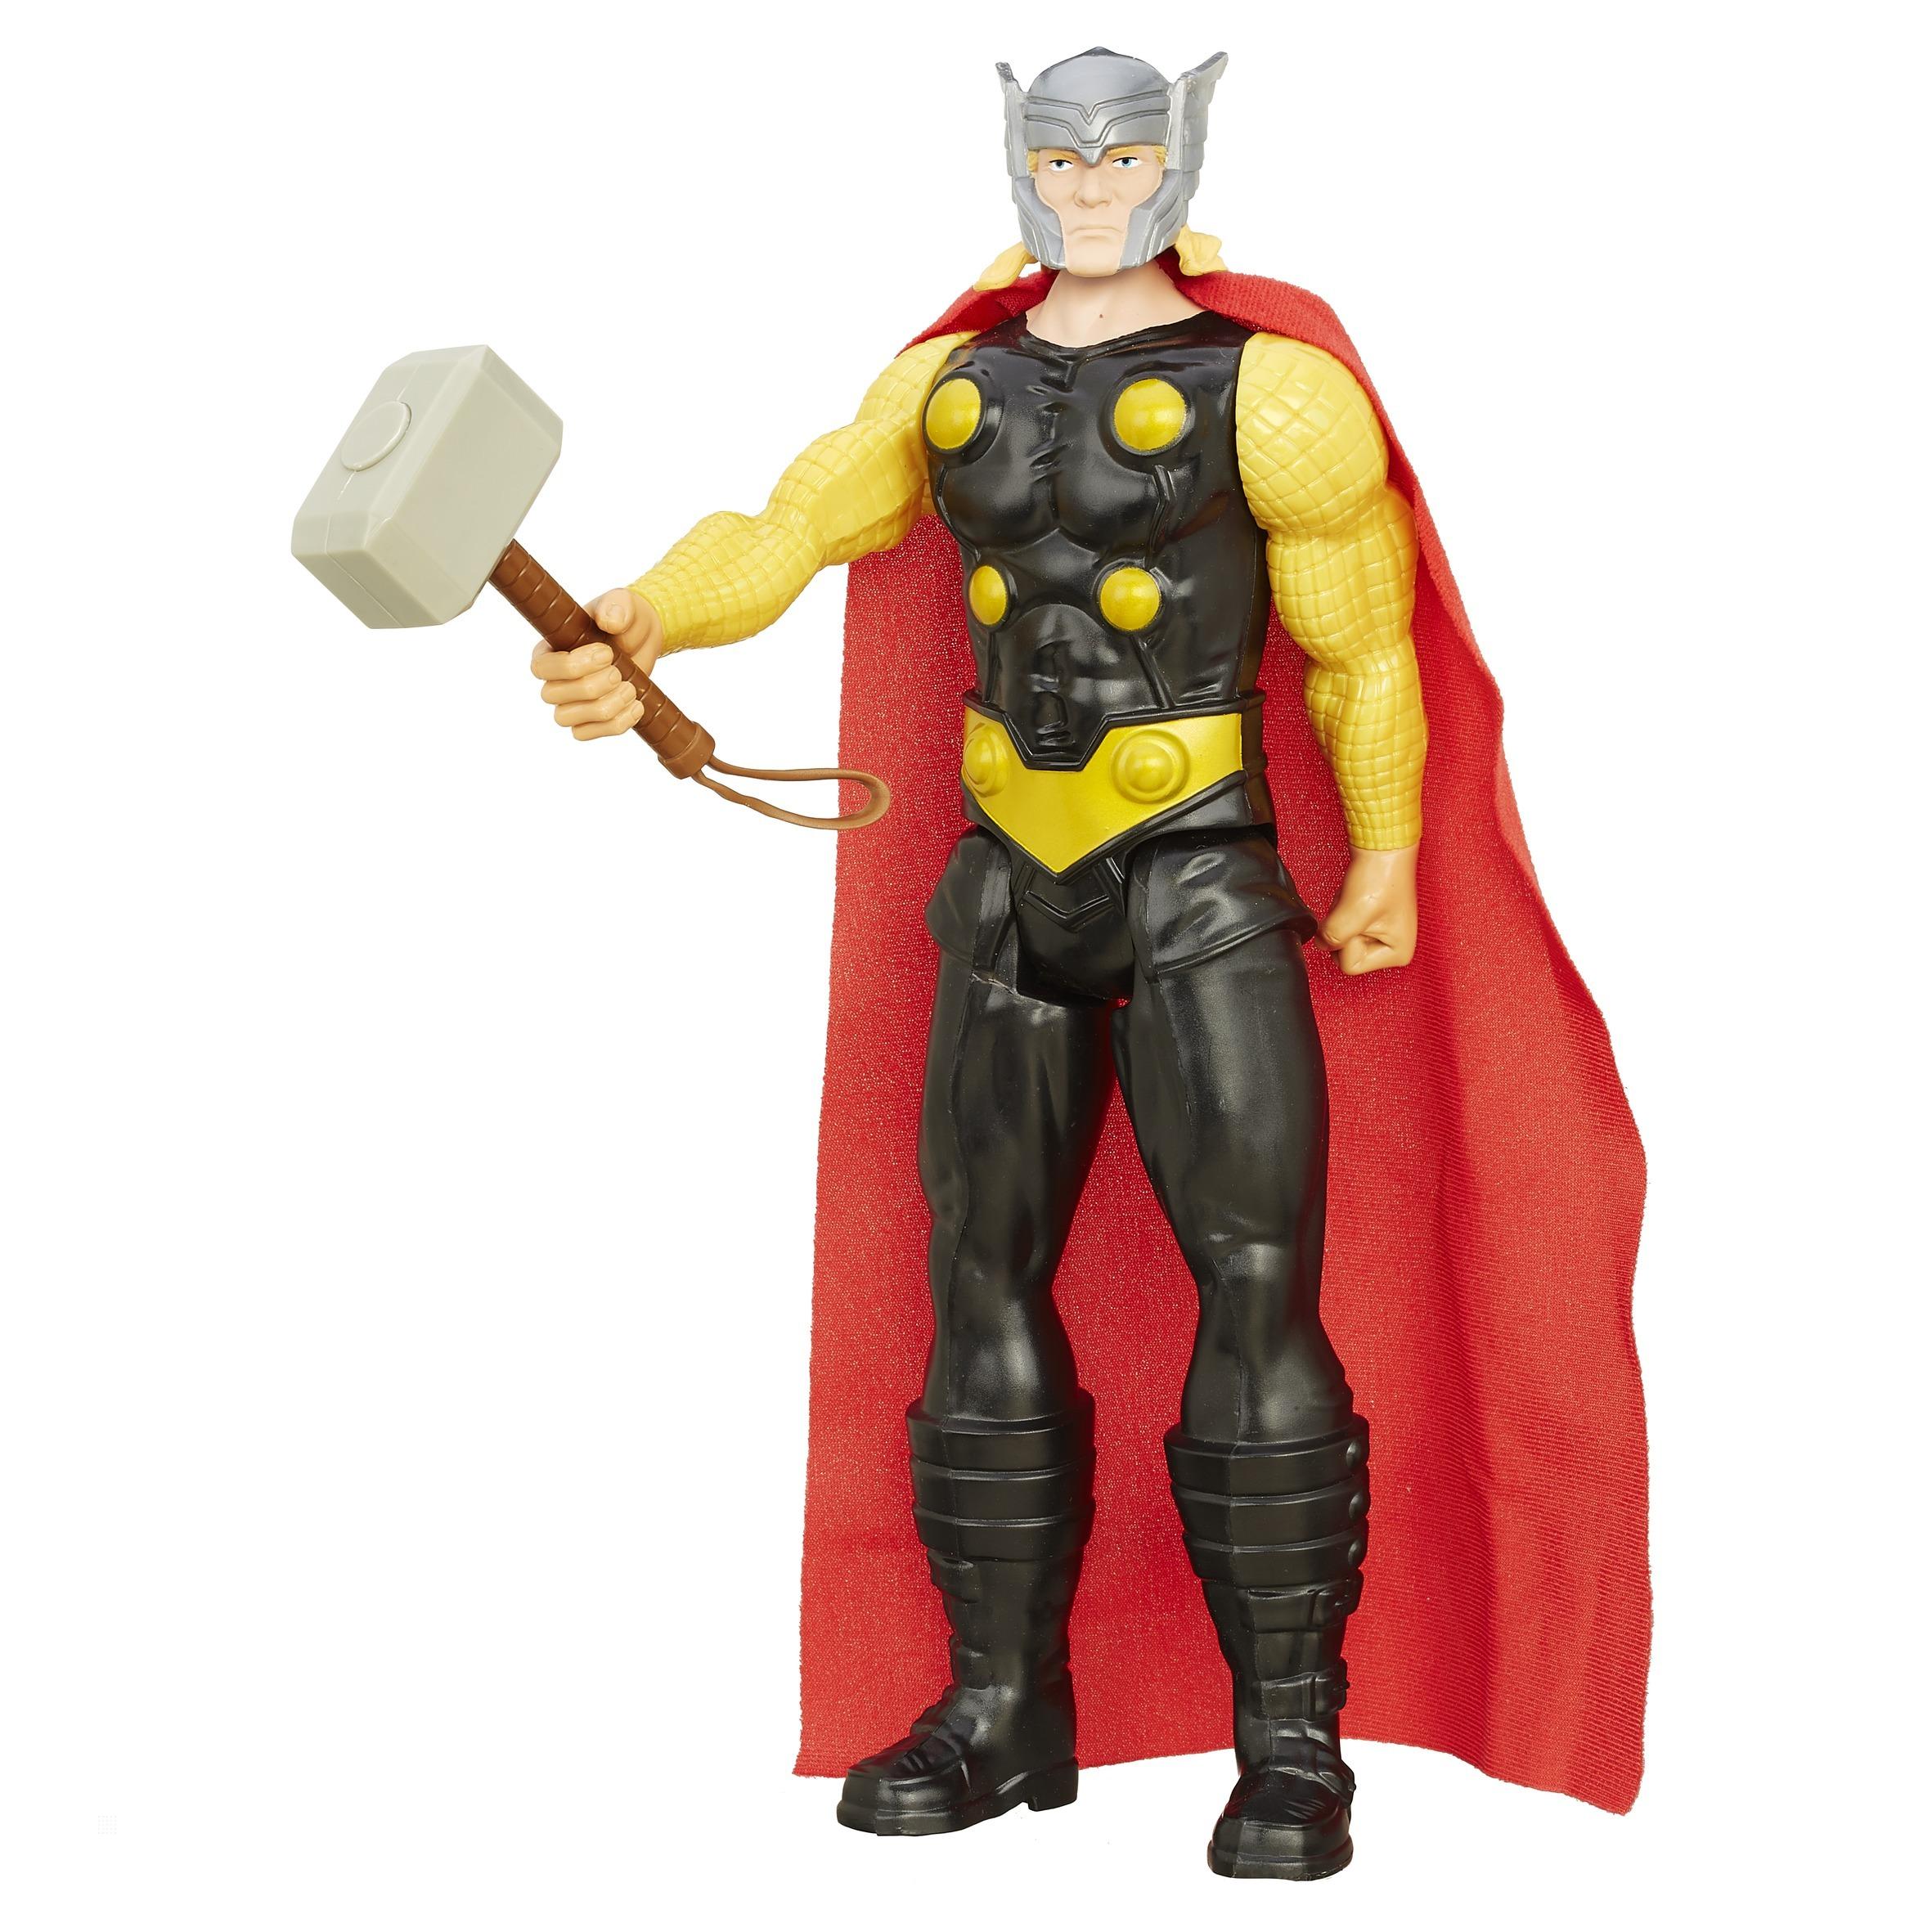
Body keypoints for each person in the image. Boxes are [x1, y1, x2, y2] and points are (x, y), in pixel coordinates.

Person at [528, 48, 1605, 1883]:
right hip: (1005, 888)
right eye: (1057, 152)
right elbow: (788, 527)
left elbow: (1357, 645)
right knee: (976, 1280)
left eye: (1122, 152)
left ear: (1179, 157)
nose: (1089, 183)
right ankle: (1000, 1703)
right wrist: (642, 614)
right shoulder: (946, 386)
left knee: (1254, 1286)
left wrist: (1388, 845)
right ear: (1015, 162)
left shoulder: (1272, 394)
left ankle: (1290, 1740)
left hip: (1200, 880)